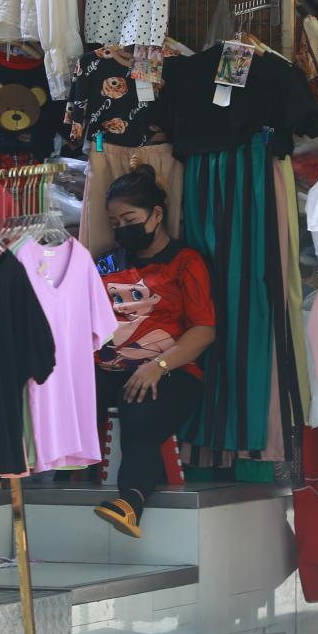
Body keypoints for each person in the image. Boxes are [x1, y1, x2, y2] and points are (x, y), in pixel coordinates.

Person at [92, 165, 216, 538]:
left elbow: (204, 330)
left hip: (172, 370)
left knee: (140, 410)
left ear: (157, 214)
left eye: (130, 218)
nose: (122, 227)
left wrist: (157, 366)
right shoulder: (107, 262)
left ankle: (130, 501)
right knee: (70, 395)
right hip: (109, 366)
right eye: (115, 222)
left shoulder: (185, 261)